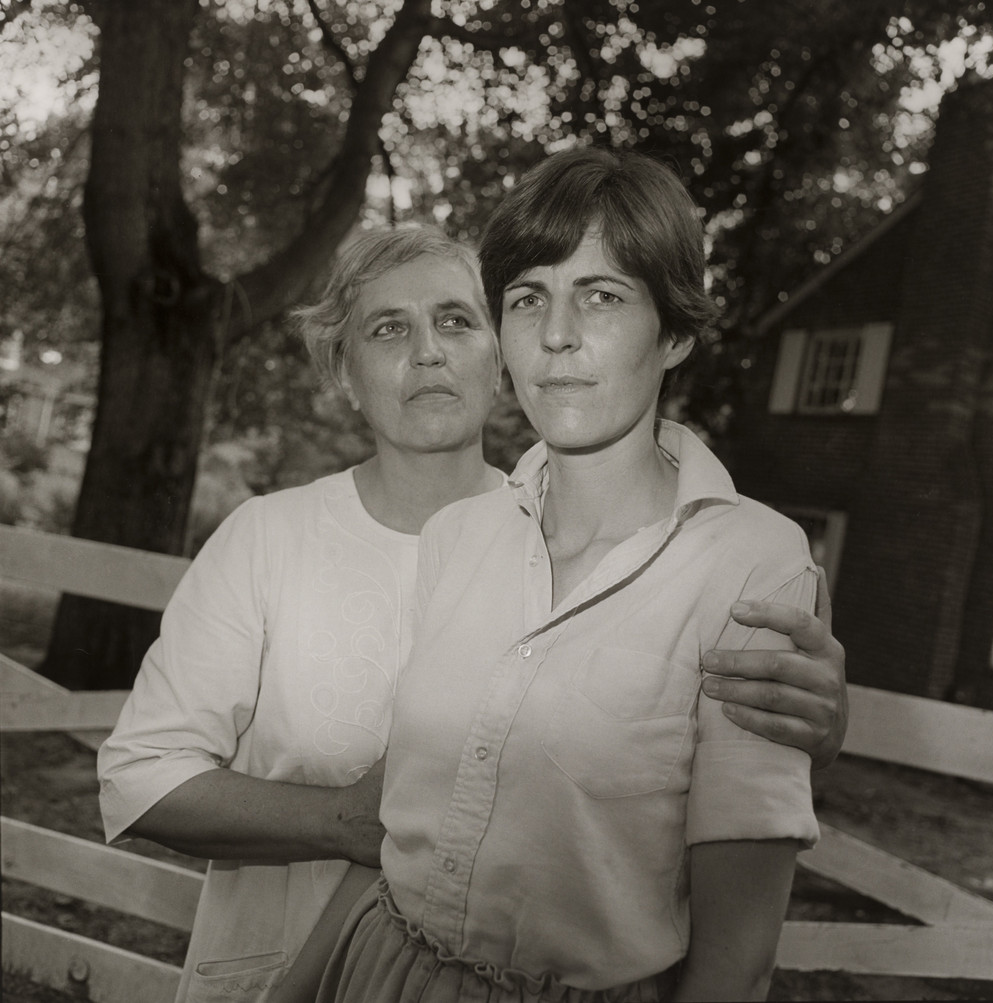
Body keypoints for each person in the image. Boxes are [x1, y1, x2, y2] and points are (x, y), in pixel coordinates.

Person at [98, 224, 844, 1003]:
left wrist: (814, 729)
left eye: (456, 321)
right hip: (269, 965)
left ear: (501, 356)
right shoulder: (267, 535)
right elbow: (138, 777)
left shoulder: (594, 550)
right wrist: (347, 819)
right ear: (345, 373)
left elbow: (677, 766)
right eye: (388, 329)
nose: (428, 352)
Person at [304, 147, 826, 1003]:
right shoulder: (456, 536)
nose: (556, 334)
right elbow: (395, 836)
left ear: (675, 332)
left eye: (603, 295)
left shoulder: (754, 567)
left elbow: (737, 962)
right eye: (527, 298)